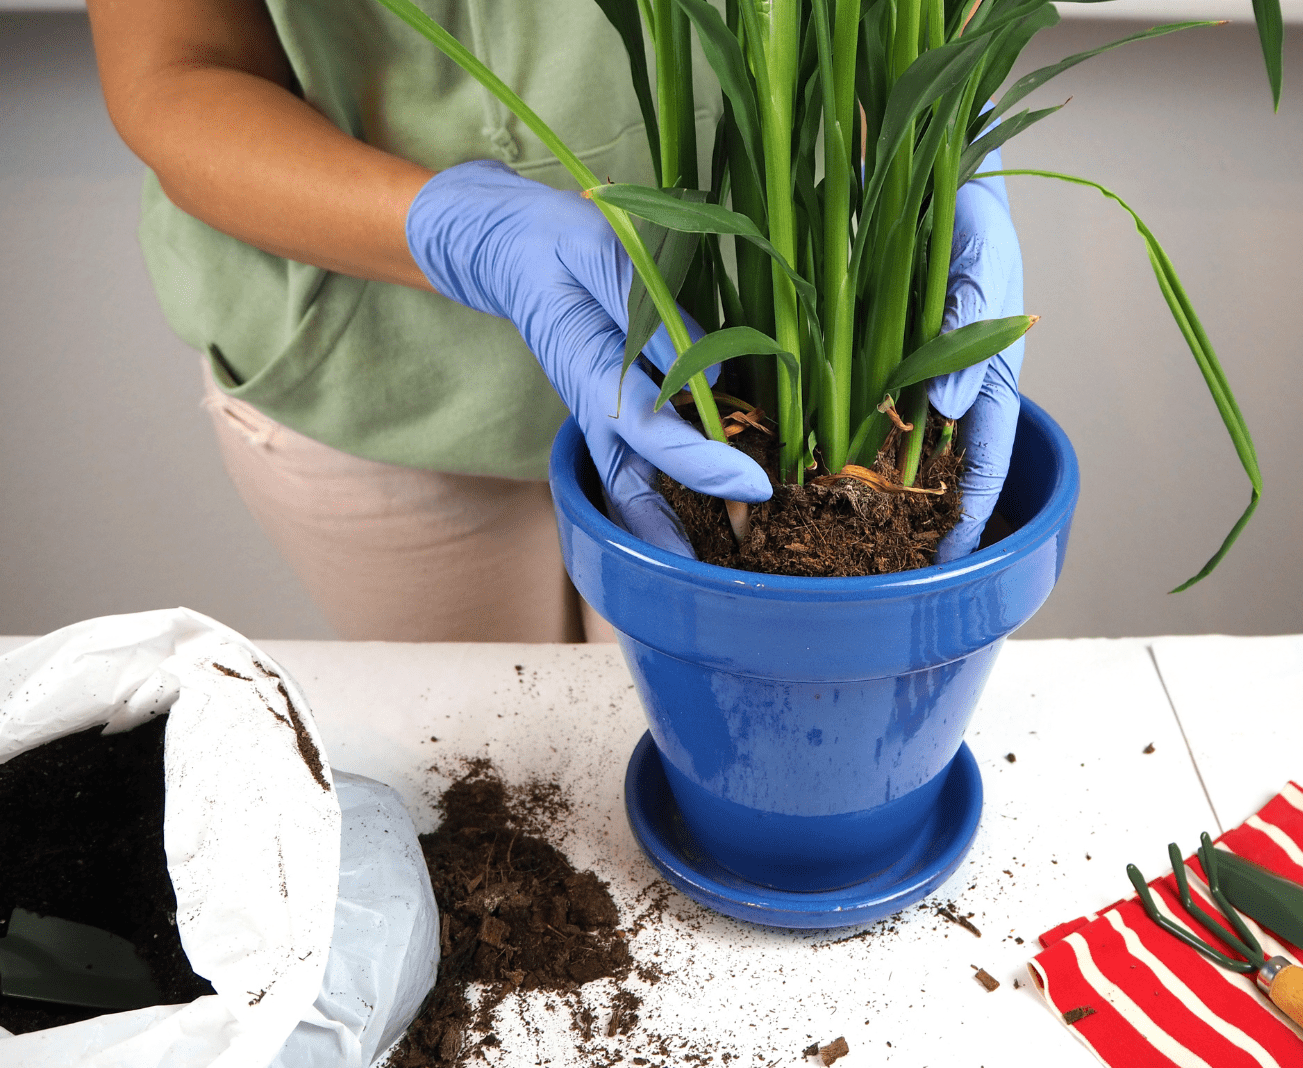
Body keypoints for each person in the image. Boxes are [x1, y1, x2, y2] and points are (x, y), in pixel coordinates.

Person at [86, 0, 1026, 644]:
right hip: (375, 351)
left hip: (754, 350)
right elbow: (173, 63)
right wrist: (463, 234)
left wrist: (940, 138)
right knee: (493, 780)